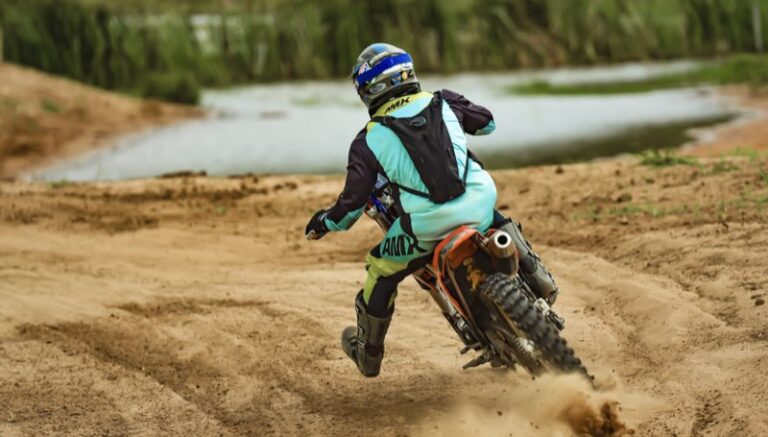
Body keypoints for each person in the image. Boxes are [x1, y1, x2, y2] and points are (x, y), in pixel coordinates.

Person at [305, 43, 558, 377]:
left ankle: (367, 355)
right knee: (494, 220)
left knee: (379, 270)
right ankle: (540, 282)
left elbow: (350, 209)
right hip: (480, 203)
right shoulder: (444, 100)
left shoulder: (367, 140)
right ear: (408, 73)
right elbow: (487, 124)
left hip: (426, 228)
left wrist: (324, 222)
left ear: (368, 90)